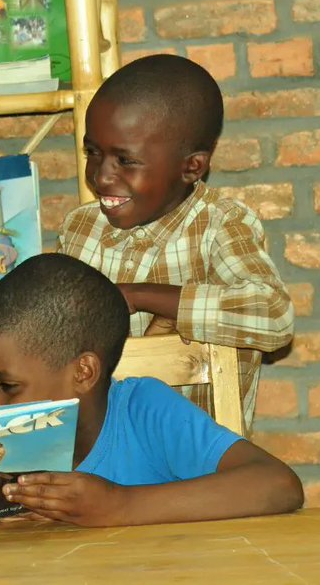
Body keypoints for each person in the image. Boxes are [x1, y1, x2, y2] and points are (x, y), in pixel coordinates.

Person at [0, 253, 303, 526]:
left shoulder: (143, 411)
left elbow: (278, 484)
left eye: (8, 386)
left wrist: (119, 506)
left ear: (83, 372)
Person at [60, 54, 293, 431]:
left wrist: (137, 296)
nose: (102, 176)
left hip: (196, 471)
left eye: (126, 160)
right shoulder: (81, 229)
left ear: (192, 167)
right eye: (94, 152)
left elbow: (274, 315)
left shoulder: (219, 225)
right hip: (101, 457)